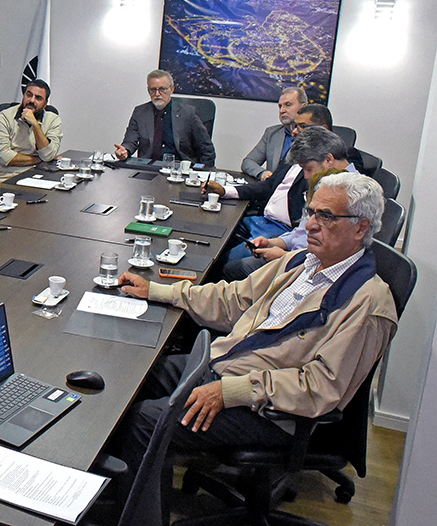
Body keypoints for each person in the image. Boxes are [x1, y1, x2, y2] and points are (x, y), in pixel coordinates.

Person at [102, 172, 396, 504]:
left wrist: (233, 391)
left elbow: (320, 387)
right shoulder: (303, 261)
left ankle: (137, 515)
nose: (311, 225)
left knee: (145, 423)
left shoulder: (368, 303)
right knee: (134, 374)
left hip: (270, 410)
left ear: (361, 227)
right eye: (311, 212)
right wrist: (158, 290)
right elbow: (235, 298)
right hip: (225, 367)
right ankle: (113, 492)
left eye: (326, 216)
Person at [223, 127, 357, 279]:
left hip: (304, 267)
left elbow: (329, 255)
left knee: (230, 269)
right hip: (293, 255)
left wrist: (285, 256)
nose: (306, 176)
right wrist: (273, 242)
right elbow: (300, 232)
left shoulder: (349, 194)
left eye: (308, 169)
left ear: (328, 159)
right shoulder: (325, 184)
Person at [204, 104, 336, 241]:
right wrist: (225, 191)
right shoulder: (295, 153)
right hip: (261, 220)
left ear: (323, 129)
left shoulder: (331, 162)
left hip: (283, 231)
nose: (294, 132)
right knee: (210, 231)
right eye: (294, 126)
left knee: (229, 260)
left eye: (302, 126)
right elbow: (269, 185)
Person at [114, 69, 215, 167]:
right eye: (153, 89)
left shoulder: (188, 113)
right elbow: (130, 141)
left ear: (171, 89)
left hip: (178, 171)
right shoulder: (140, 112)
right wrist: (125, 151)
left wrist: (203, 174)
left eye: (162, 89)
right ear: (148, 90)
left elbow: (206, 149)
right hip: (148, 168)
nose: (157, 94)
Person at [0, 79, 63, 181]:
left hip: (38, 175)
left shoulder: (53, 120)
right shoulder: (4, 116)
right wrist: (40, 159)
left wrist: (35, 125)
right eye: (29, 95)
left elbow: (47, 154)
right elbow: (4, 157)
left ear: (45, 104)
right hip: (4, 176)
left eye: (38, 98)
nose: (32, 100)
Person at [241, 87, 308, 180]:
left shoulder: (313, 136)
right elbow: (248, 162)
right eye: (280, 106)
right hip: (271, 190)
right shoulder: (272, 133)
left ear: (303, 108)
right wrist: (262, 173)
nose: (282, 111)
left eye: (288, 105)